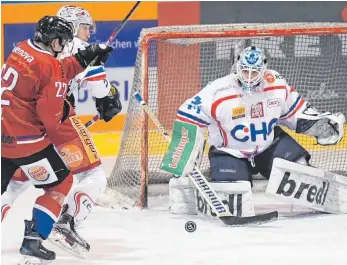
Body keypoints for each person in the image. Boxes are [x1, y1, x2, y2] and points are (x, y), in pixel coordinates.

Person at [160, 46, 345, 216]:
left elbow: (296, 112)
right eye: (245, 70)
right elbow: (188, 115)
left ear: (263, 70)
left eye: (254, 71)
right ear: (237, 67)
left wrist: (321, 125)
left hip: (267, 146)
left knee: (300, 168)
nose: (249, 76)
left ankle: (330, 198)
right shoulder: (218, 90)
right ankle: (201, 185)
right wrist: (183, 153)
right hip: (230, 152)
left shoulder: (276, 84)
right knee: (235, 193)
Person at [1, 5, 122, 258]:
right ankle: (67, 222)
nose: (89, 33)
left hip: (13, 126)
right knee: (92, 176)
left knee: (13, 184)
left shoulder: (23, 47)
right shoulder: (65, 54)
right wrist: (109, 97)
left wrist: (85, 59)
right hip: (51, 124)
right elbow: (98, 92)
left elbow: (58, 69)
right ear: (70, 29)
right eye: (87, 27)